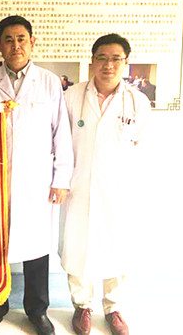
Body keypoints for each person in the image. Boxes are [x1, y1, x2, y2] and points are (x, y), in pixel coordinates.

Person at [0, 15, 74, 335]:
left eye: (21, 38)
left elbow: (62, 134)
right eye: (9, 40)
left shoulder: (49, 82)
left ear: (32, 42)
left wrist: (61, 180)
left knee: (36, 247)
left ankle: (37, 311)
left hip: (36, 180)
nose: (15, 45)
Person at [58, 34, 151, 335]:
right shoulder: (72, 96)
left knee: (117, 247)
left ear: (126, 62)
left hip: (118, 189)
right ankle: (82, 305)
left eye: (115, 59)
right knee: (77, 246)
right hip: (78, 185)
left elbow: (142, 147)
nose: (108, 65)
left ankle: (113, 308)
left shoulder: (137, 101)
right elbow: (60, 142)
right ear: (92, 60)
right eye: (102, 58)